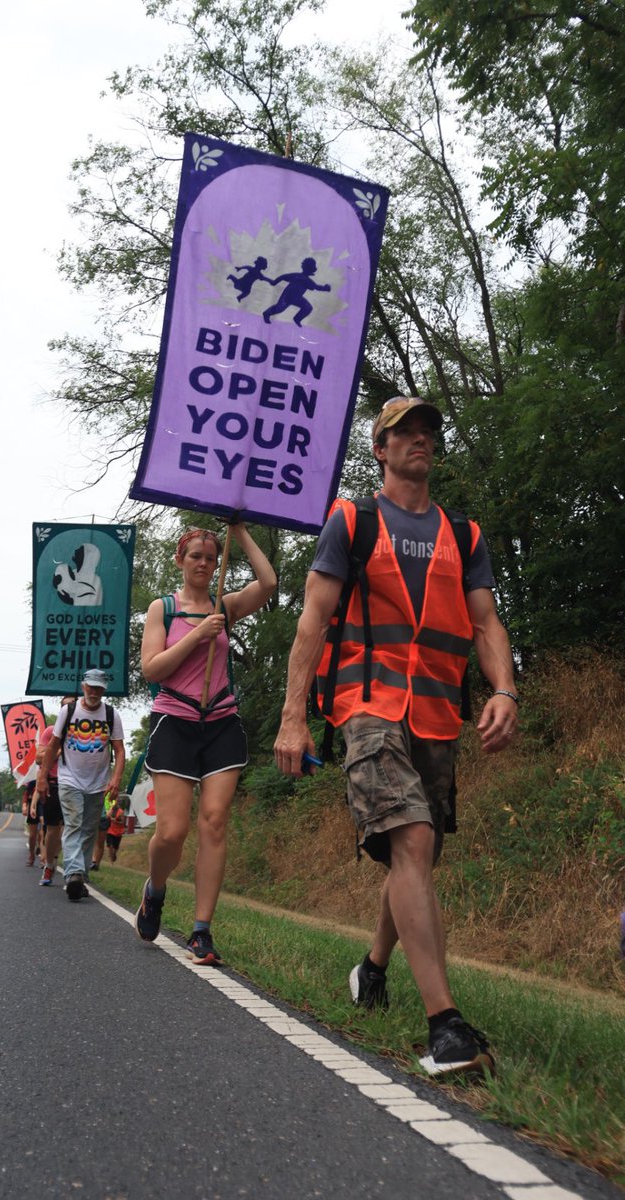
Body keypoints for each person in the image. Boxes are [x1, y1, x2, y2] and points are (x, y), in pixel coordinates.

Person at [274, 397, 519, 1078]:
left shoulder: (463, 536)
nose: (419, 439)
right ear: (379, 448)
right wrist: (294, 716)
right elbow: (312, 621)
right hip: (368, 703)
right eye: (404, 431)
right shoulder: (352, 521)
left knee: (417, 855)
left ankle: (374, 969)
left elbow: (486, 623)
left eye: (428, 432)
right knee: (410, 840)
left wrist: (504, 689)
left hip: (439, 712)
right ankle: (446, 1028)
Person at [136, 522, 276, 964]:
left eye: (211, 558)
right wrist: (199, 635)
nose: (203, 563)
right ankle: (155, 890)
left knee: (214, 822)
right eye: (195, 555)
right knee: (172, 832)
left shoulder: (226, 606)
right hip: (174, 721)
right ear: (180, 560)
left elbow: (269, 584)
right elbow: (152, 670)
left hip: (221, 722)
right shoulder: (164, 609)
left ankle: (201, 931)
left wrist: (240, 530)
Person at [35, 670, 125, 902]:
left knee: (89, 830)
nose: (94, 692)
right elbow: (54, 746)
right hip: (69, 779)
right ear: (83, 686)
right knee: (74, 824)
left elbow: (119, 750)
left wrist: (115, 779)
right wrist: (43, 778)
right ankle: (74, 873)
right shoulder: (69, 711)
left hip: (97, 783)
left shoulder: (112, 715)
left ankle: (79, 876)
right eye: (90, 687)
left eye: (98, 688)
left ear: (104, 689)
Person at [31, 696, 73, 886]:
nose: (69, 709)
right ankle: (49, 866)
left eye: (72, 705)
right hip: (54, 783)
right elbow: (39, 759)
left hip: (76, 784)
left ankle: (73, 872)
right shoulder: (50, 731)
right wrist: (58, 750)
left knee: (73, 829)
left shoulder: (82, 730)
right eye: (65, 706)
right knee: (53, 829)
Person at [22, 780, 39, 866]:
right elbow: (26, 793)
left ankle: (45, 859)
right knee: (33, 835)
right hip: (33, 806)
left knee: (44, 833)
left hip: (46, 803)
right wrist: (24, 805)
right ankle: (31, 854)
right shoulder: (33, 777)